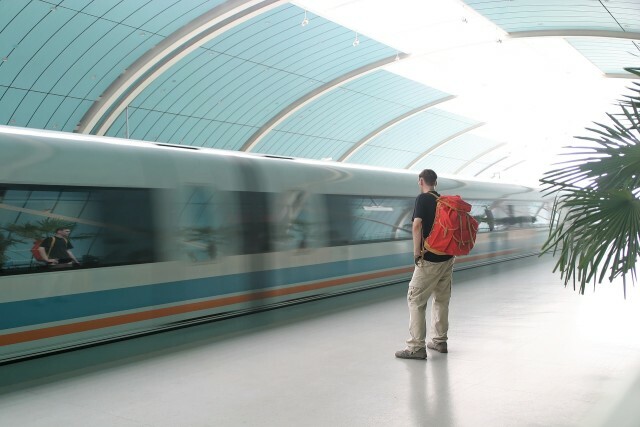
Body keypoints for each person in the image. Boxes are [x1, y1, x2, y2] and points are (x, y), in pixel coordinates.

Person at [395, 169, 455, 360]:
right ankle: (439, 341)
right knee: (441, 299)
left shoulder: (423, 199)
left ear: (421, 181)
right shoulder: (443, 200)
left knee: (415, 299)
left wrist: (416, 253)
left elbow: (417, 225)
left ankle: (416, 347)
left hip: (429, 258)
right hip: (447, 257)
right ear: (435, 182)